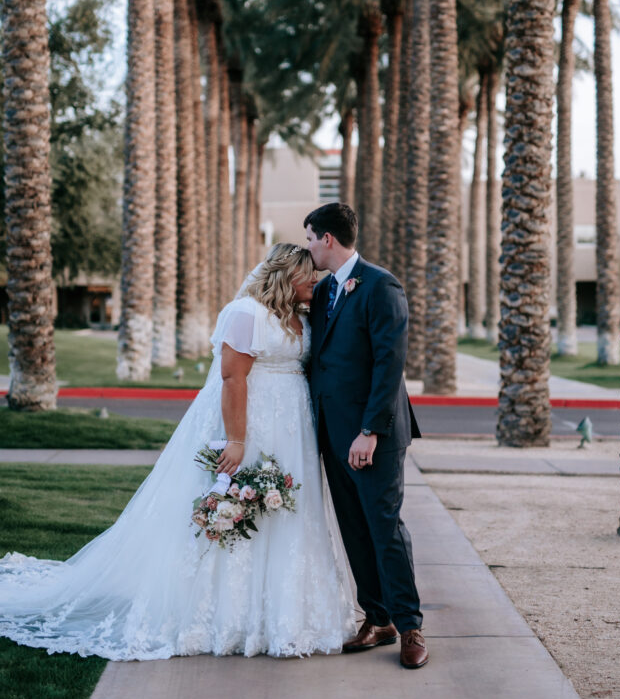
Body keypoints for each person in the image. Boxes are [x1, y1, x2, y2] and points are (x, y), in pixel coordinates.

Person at [0, 244, 355, 660]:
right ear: (285, 275)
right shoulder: (247, 314)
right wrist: (236, 441)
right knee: (246, 512)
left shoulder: (301, 316)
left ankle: (287, 615)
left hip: (292, 431)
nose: (316, 281)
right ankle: (228, 618)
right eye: (308, 275)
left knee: (288, 514)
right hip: (254, 424)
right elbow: (232, 378)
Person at [304, 203, 428, 670]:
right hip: (332, 434)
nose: (309, 247)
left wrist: (370, 431)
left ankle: (410, 625)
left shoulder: (381, 285)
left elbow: (388, 363)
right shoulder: (322, 293)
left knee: (385, 528)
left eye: (312, 239)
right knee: (354, 530)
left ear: (329, 240)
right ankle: (378, 620)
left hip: (372, 436)